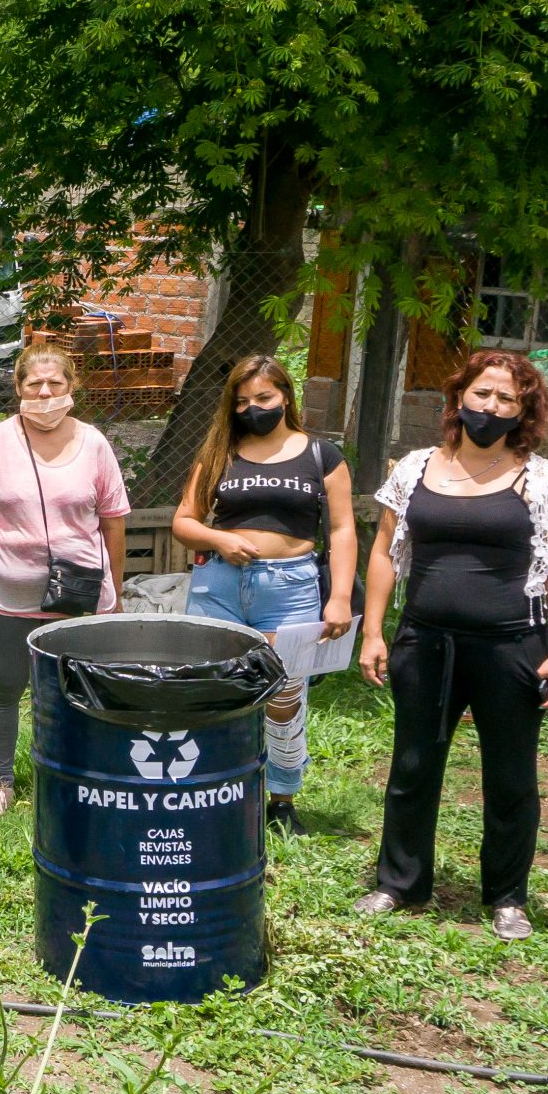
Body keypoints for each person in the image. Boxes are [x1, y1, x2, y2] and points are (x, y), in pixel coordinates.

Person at [356, 350, 548, 941]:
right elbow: (384, 550)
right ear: (460, 398)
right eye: (483, 394)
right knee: (412, 764)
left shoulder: (540, 477)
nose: (492, 407)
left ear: (523, 410)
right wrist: (373, 631)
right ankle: (399, 883)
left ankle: (507, 895)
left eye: (507, 398)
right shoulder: (415, 468)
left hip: (511, 647)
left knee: (511, 775)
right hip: (425, 642)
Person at [169, 355, 356, 834]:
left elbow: (343, 528)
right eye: (243, 401)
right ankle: (209, 790)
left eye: (265, 398)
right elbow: (184, 523)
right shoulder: (219, 454)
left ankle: (282, 798)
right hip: (220, 586)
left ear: (286, 397)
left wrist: (338, 601)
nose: (254, 408)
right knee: (214, 692)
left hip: (291, 587)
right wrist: (221, 539)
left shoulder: (322, 455)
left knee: (284, 695)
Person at [0, 344, 130, 815]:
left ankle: (71, 777)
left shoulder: (94, 444)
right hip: (3, 593)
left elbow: (113, 521)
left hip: (79, 596)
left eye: (55, 383)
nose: (45, 392)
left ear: (72, 388)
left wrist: (115, 592)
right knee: (4, 684)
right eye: (35, 384)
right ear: (17, 388)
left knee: (77, 690)